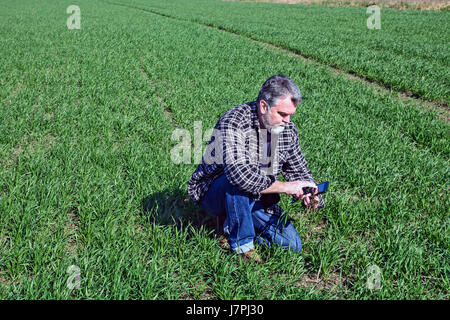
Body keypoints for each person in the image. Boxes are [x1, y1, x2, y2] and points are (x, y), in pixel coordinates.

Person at [187, 74, 325, 263]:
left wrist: (311, 192)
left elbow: (298, 168)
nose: (288, 121)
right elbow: (240, 177)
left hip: (258, 195)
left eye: (291, 115)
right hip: (216, 191)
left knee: (292, 245)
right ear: (263, 106)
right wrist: (286, 187)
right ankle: (242, 245)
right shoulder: (234, 121)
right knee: (238, 181)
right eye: (282, 114)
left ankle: (231, 226)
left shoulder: (288, 131)